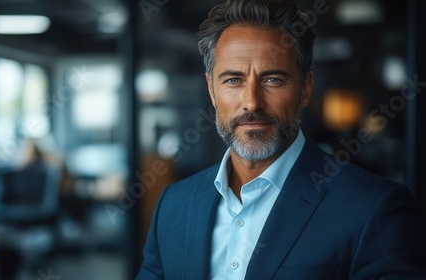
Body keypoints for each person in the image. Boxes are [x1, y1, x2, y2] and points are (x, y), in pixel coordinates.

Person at [136, 0, 426, 279]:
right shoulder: (173, 205)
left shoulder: (373, 208)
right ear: (212, 90)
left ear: (305, 88)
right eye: (233, 80)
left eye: (272, 79)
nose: (251, 103)